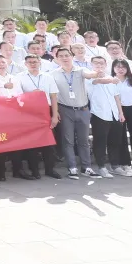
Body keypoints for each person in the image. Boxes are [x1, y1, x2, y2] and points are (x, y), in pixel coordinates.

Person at [51, 48, 94, 180]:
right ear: (57, 59)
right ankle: (72, 168)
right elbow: (53, 95)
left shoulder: (80, 70)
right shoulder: (53, 74)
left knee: (84, 140)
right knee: (68, 141)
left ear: (72, 56)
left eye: (67, 55)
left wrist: (97, 73)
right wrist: (55, 112)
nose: (64, 58)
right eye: (61, 56)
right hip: (65, 110)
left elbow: (89, 75)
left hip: (83, 109)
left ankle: (86, 167)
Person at [15, 54, 60, 179]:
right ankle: (34, 170)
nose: (33, 64)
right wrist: (31, 94)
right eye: (30, 62)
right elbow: (17, 96)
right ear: (25, 64)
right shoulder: (19, 77)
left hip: (46, 110)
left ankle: (50, 169)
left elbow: (53, 96)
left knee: (49, 142)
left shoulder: (47, 77)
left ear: (39, 62)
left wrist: (55, 115)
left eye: (35, 61)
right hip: (29, 112)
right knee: (32, 143)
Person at [84, 56, 126, 178]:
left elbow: (116, 97)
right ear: (91, 65)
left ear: (106, 65)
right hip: (99, 115)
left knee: (115, 141)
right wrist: (112, 80)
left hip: (114, 114)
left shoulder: (111, 78)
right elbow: (98, 81)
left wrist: (121, 113)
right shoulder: (89, 78)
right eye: (96, 63)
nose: (99, 65)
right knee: (100, 142)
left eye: (101, 63)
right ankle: (101, 166)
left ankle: (115, 165)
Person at [111, 58, 132, 177]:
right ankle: (125, 164)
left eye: (123, 67)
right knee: (121, 138)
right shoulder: (111, 81)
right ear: (113, 68)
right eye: (118, 67)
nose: (120, 69)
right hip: (118, 110)